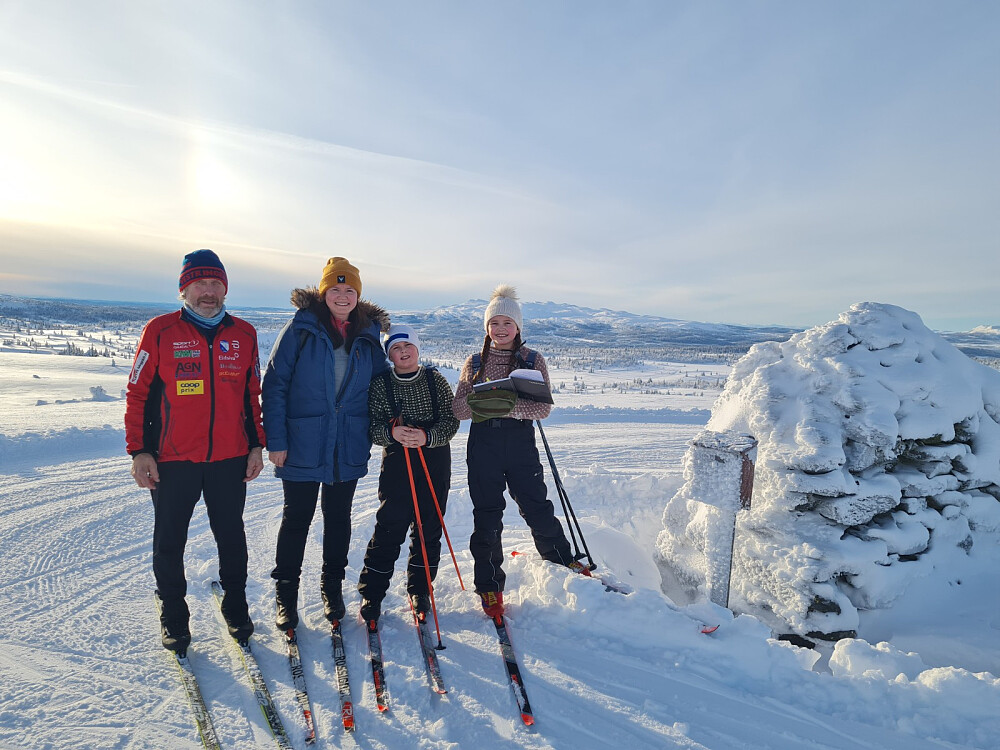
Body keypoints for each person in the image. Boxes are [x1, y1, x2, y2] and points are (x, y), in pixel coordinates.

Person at [125, 249, 266, 652]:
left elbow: (250, 396)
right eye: (199, 283)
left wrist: (256, 445)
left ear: (225, 288)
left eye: (215, 283)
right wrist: (139, 451)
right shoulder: (160, 331)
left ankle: (236, 605)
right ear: (184, 290)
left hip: (229, 458)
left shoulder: (244, 334)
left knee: (232, 536)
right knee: (170, 540)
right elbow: (137, 394)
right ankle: (174, 613)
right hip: (172, 460)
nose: (208, 291)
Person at [261, 257, 389, 631]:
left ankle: (332, 587)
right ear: (324, 292)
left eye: (350, 290)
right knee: (296, 519)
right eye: (335, 289)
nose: (342, 296)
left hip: (347, 443)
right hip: (302, 442)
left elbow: (382, 388)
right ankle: (286, 594)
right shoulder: (301, 329)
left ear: (358, 295)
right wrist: (276, 440)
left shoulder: (367, 335)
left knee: (338, 519)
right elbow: (275, 385)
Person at [453, 284, 588, 620]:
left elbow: (542, 409)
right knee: (487, 514)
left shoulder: (531, 360)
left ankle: (561, 561)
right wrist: (485, 401)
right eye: (494, 323)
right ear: (486, 327)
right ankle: (489, 585)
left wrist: (503, 406)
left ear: (518, 327)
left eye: (507, 323)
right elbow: (458, 410)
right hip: (483, 445)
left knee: (536, 505)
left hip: (519, 443)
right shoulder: (474, 362)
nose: (500, 329)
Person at [357, 324, 459, 625]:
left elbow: (451, 421)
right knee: (390, 525)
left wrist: (428, 437)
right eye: (396, 349)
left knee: (429, 526)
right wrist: (392, 433)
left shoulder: (435, 380)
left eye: (407, 346)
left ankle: (420, 589)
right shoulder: (381, 385)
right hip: (398, 460)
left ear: (417, 349)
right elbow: (372, 427)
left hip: (434, 458)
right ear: (389, 355)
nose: (403, 352)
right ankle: (372, 592)